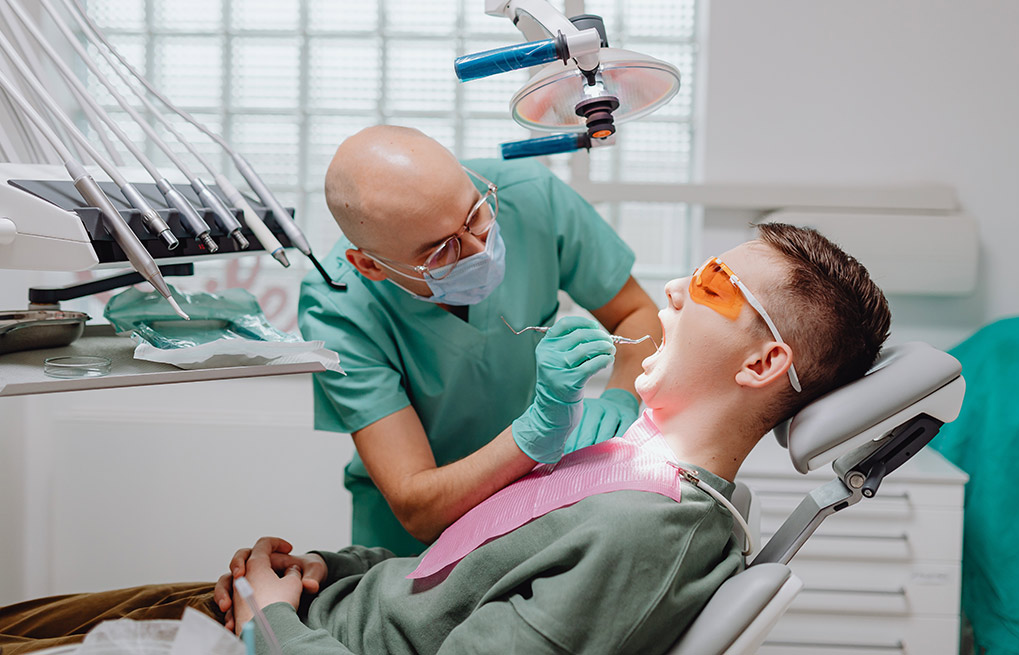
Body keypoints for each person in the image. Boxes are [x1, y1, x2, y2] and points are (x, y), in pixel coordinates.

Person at [0, 223, 891, 655]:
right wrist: (321, 570)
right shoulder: (632, 466)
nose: (672, 288)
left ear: (765, 360)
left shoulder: (650, 533)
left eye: (712, 283)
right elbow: (447, 573)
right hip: (315, 606)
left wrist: (272, 619)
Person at [298, 125, 661, 555]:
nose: (479, 248)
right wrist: (537, 430)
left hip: (539, 501)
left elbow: (637, 314)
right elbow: (418, 506)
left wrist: (620, 398)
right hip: (418, 543)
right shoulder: (337, 308)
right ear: (369, 266)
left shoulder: (529, 195)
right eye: (441, 251)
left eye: (475, 215)